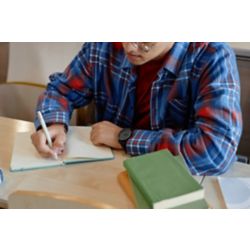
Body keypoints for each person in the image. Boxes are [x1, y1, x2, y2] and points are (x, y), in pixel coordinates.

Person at [31, 42, 242, 175]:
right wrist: (54, 123)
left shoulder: (212, 56)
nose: (129, 47)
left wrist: (124, 138)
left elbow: (216, 151)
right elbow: (60, 90)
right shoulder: (103, 45)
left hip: (172, 185)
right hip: (106, 176)